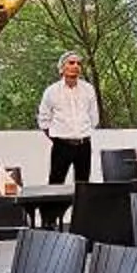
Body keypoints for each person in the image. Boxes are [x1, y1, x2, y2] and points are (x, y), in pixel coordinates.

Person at [37, 50, 101, 183]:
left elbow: (94, 117)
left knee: (83, 184)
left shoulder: (88, 89)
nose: (76, 66)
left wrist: (83, 132)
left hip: (84, 145)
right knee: (56, 183)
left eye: (78, 63)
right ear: (62, 68)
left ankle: (81, 200)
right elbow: (43, 119)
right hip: (61, 145)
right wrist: (58, 137)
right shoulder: (52, 91)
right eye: (71, 63)